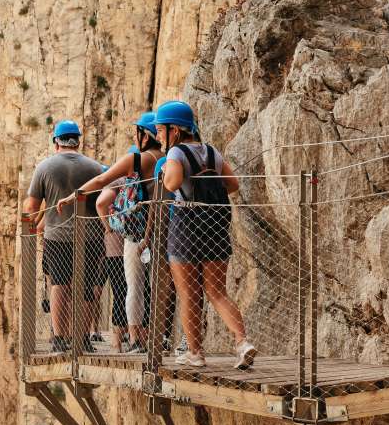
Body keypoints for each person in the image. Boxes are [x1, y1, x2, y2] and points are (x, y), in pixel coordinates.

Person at [155, 100, 256, 369]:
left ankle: (196, 353)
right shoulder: (212, 152)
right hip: (214, 225)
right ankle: (242, 341)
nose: (158, 136)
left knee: (188, 293)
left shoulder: (175, 154)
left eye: (161, 130)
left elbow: (173, 183)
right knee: (217, 291)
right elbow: (232, 184)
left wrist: (166, 170)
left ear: (174, 130)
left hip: (186, 227)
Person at [56, 113, 164, 353]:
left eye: (137, 132)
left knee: (133, 287)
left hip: (138, 234)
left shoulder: (137, 159)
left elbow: (102, 180)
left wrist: (73, 196)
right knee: (159, 288)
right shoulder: (167, 158)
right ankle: (158, 339)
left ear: (144, 135)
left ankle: (136, 339)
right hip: (166, 232)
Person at [22, 120, 106, 354]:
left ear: (56, 141)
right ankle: (83, 339)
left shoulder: (45, 167)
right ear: (78, 140)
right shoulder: (94, 167)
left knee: (59, 285)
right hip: (91, 236)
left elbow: (32, 207)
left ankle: (59, 338)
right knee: (88, 287)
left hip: (56, 236)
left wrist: (36, 224)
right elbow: (101, 201)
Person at [96, 186, 127, 351]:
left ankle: (118, 342)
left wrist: (107, 227)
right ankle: (121, 340)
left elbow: (101, 204)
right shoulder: (122, 183)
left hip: (115, 247)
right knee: (126, 292)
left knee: (120, 293)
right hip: (125, 245)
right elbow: (101, 204)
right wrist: (107, 226)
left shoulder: (117, 183)